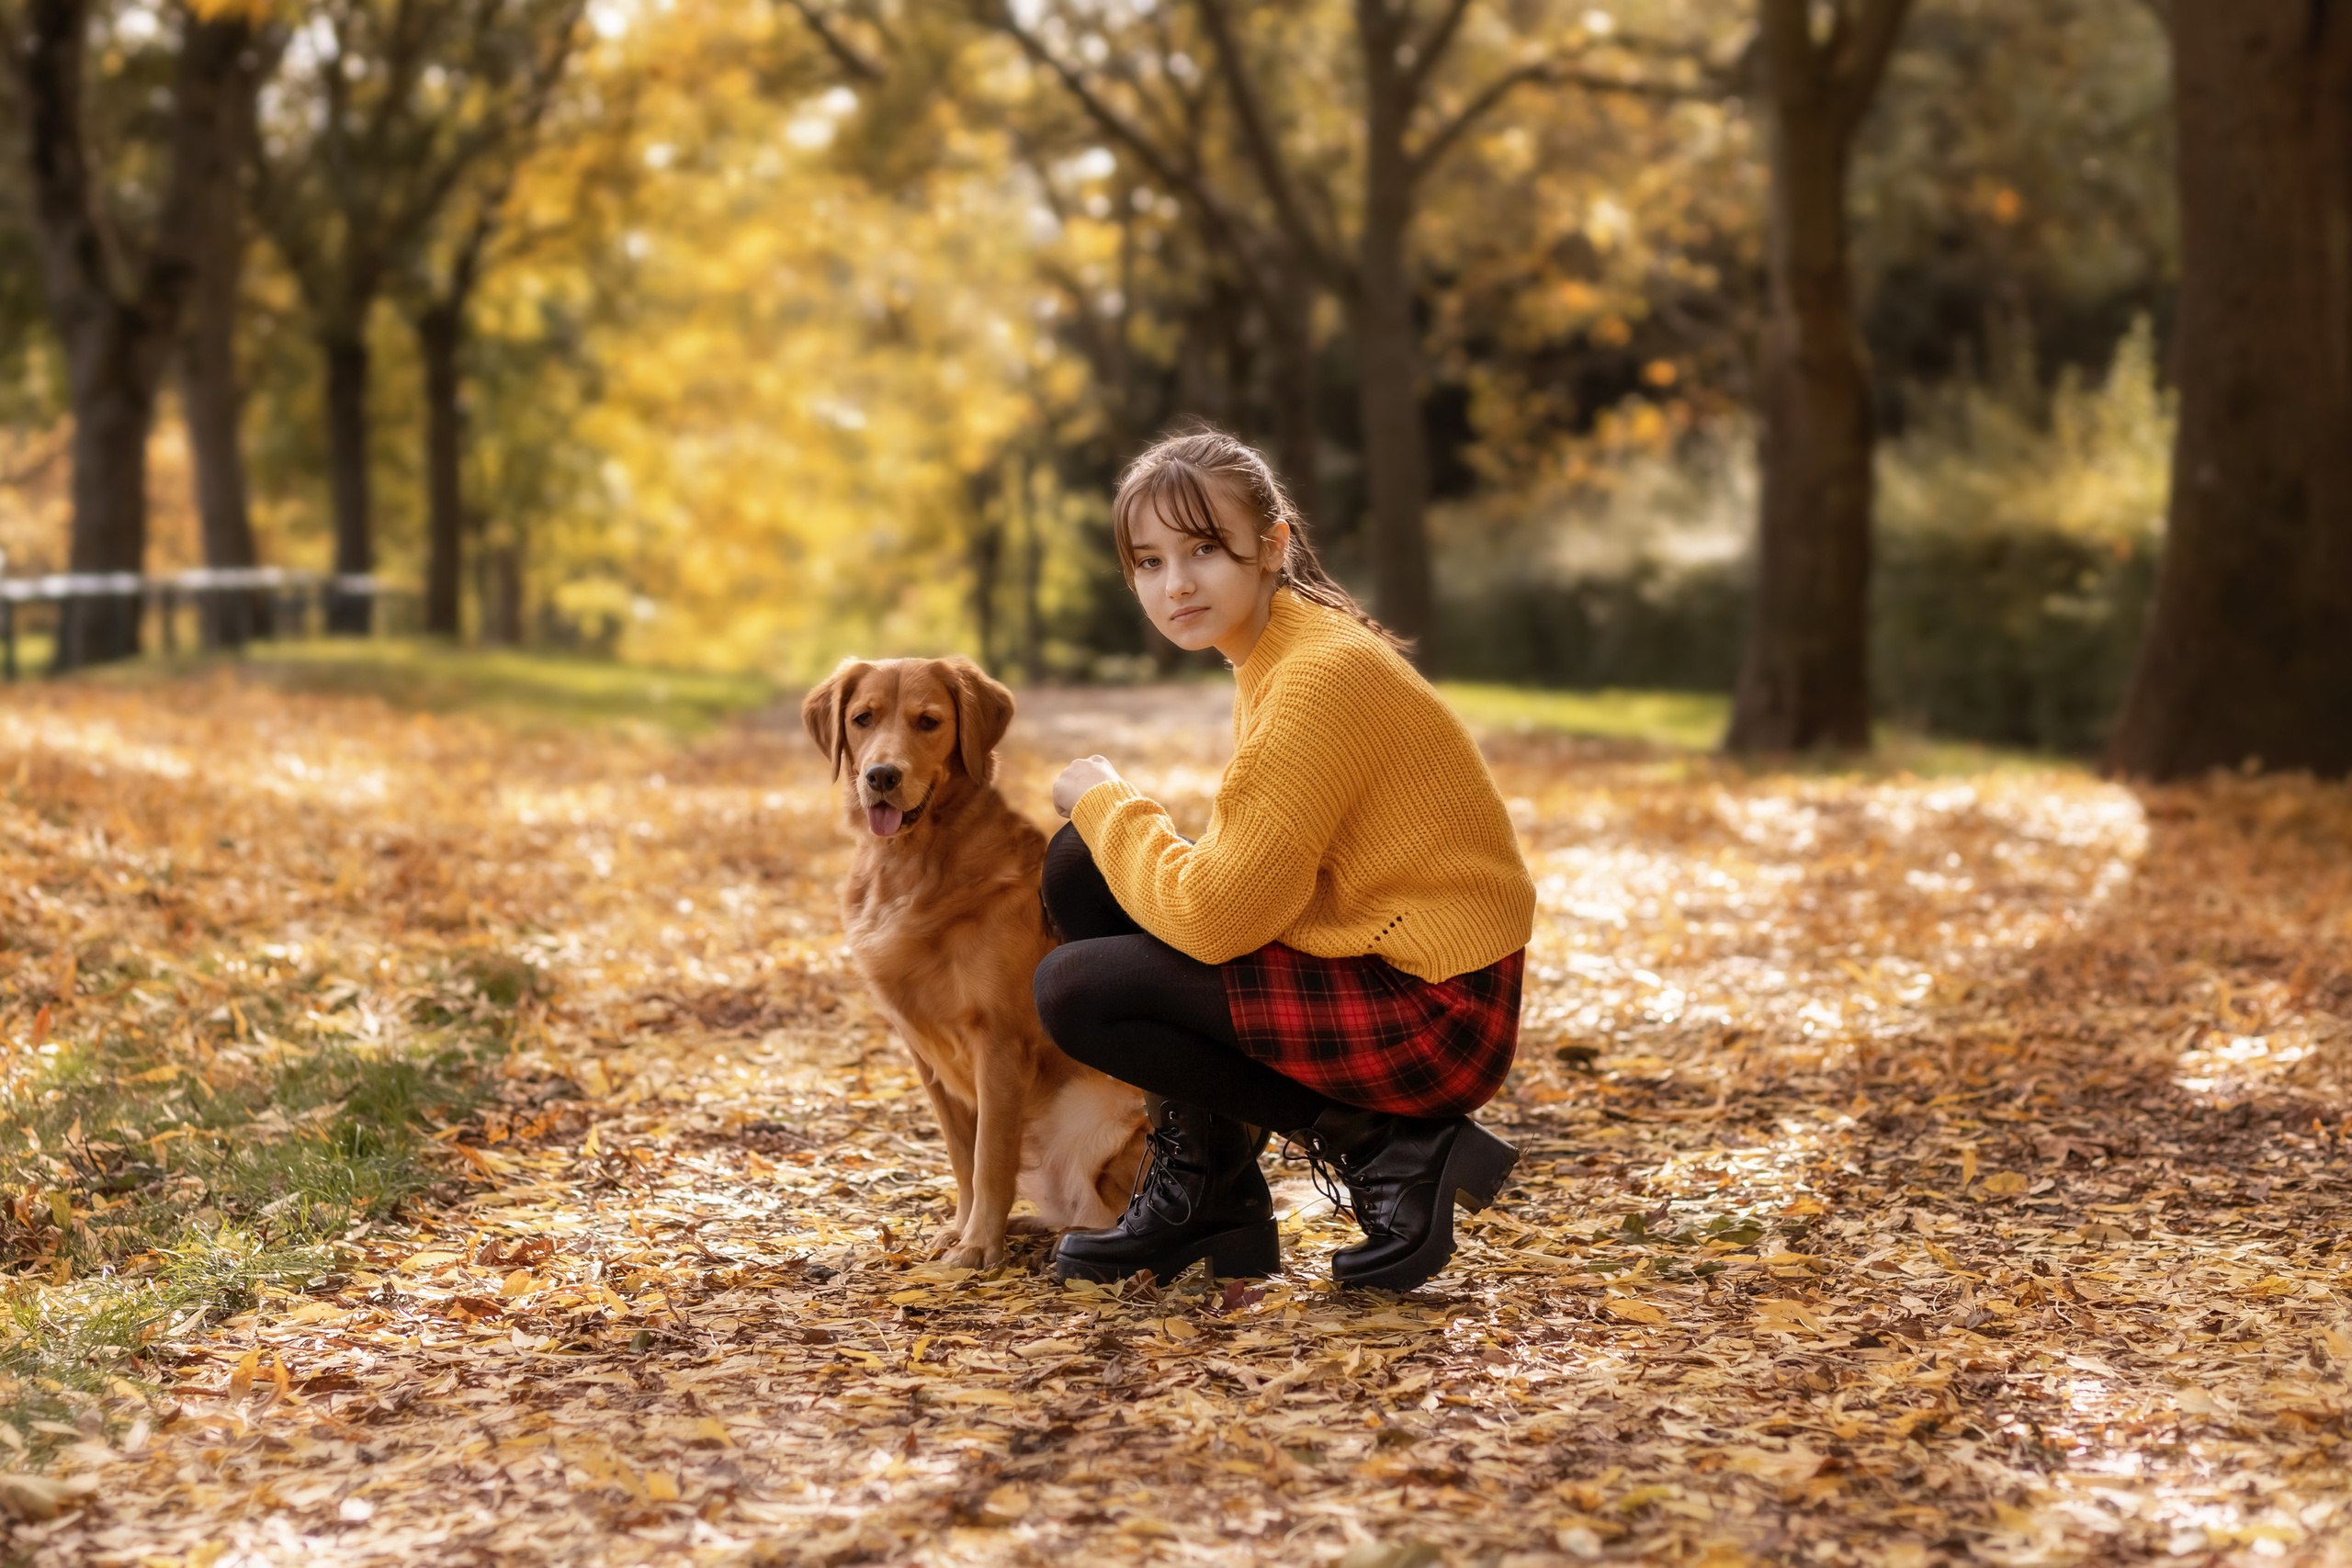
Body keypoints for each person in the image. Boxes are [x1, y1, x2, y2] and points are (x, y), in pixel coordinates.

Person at [1035, 426, 1537, 1293]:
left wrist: (1109, 797)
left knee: (1077, 988)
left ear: (1272, 547)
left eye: (1203, 549)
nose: (1176, 582)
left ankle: (1387, 1144)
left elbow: (1218, 917)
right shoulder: (1278, 654)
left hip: (1435, 1011)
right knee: (1084, 862)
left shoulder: (1317, 678)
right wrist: (1105, 825)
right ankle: (1212, 1191)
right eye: (1148, 562)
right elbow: (1242, 888)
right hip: (1386, 969)